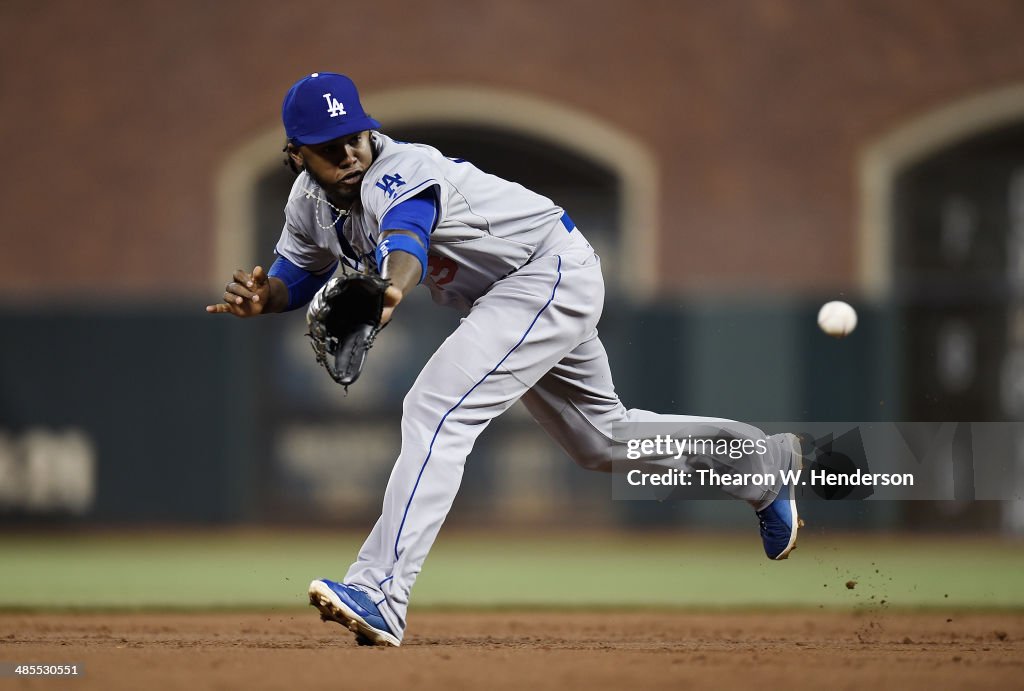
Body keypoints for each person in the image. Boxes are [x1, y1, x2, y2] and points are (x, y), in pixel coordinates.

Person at [207, 72, 802, 647]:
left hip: (545, 271)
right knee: (600, 442)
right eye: (328, 148)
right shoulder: (307, 201)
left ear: (369, 132)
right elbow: (297, 270)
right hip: (510, 293)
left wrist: (392, 288)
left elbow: (408, 235)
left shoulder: (401, 167)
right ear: (295, 155)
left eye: (354, 138)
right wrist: (269, 298)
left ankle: (380, 591)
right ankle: (754, 460)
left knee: (436, 409)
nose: (348, 154)